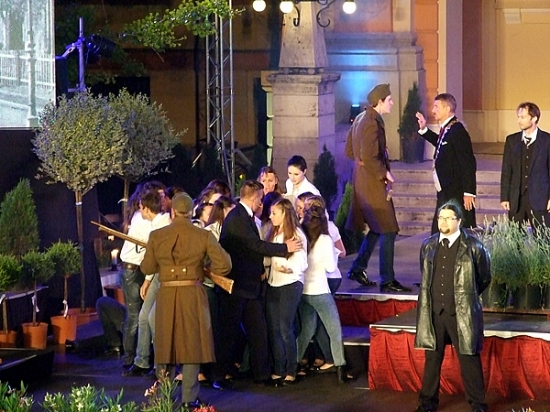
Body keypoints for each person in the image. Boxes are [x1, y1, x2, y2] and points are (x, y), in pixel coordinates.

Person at [140, 193, 232, 410]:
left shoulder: (156, 235)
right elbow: (225, 265)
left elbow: (147, 268)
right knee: (192, 344)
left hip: (166, 294)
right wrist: (202, 266)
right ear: (191, 212)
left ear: (172, 211)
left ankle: (164, 395)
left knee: (166, 343)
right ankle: (189, 399)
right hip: (192, 293)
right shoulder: (203, 235)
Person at [216, 180, 302, 387]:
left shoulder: (243, 217)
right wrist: (284, 248)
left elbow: (249, 249)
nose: (262, 203)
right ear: (254, 198)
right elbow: (254, 245)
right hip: (236, 287)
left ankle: (261, 375)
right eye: (261, 199)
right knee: (228, 333)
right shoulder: (237, 218)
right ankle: (218, 376)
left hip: (249, 285)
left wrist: (259, 269)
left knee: (258, 331)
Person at [414, 200, 491, 412]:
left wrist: (466, 297)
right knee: (432, 359)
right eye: (441, 218)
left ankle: (478, 404)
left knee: (468, 357)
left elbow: (484, 277)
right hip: (434, 312)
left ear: (459, 221)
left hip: (461, 312)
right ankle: (427, 403)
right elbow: (425, 274)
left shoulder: (474, 246)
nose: (443, 222)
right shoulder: (428, 245)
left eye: (448, 218)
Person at [345, 83, 410, 292]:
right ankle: (387, 279)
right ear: (380, 101)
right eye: (389, 100)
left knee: (377, 227)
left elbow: (349, 151)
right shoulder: (371, 122)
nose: (392, 103)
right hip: (371, 182)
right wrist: (384, 172)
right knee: (389, 228)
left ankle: (358, 268)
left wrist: (365, 161)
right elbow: (368, 157)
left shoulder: (361, 118)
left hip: (363, 178)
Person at [297, 205, 349, 384]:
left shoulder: (301, 237)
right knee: (335, 331)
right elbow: (331, 267)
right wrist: (334, 253)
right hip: (320, 291)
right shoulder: (325, 239)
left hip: (304, 290)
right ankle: (341, 368)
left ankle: (293, 363)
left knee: (307, 330)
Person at [118, 181, 165, 370]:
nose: (163, 200)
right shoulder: (142, 219)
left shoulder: (156, 221)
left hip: (143, 269)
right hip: (132, 269)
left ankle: (141, 356)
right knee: (134, 315)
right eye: (160, 197)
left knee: (142, 315)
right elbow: (152, 243)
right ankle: (129, 357)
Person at [416, 93, 477, 234]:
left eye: (436, 107)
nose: (433, 110)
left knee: (450, 230)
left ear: (447, 108)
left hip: (454, 191)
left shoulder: (458, 131)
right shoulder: (448, 129)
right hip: (445, 190)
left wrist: (469, 192)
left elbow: (468, 162)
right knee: (440, 231)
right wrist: (424, 130)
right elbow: (442, 143)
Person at [264, 198, 308, 386]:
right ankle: (279, 368)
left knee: (285, 327)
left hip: (290, 285)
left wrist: (287, 268)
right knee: (274, 328)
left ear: (284, 214)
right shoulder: (273, 232)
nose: (271, 216)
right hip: (273, 284)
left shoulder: (296, 234)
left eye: (275, 213)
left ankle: (291, 369)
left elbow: (302, 263)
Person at [500, 102, 550, 231]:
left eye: (522, 117)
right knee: (515, 237)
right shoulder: (512, 140)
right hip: (516, 199)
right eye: (518, 117)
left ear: (534, 118)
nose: (519, 121)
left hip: (540, 199)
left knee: (542, 237)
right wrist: (505, 197)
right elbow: (507, 170)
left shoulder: (547, 141)